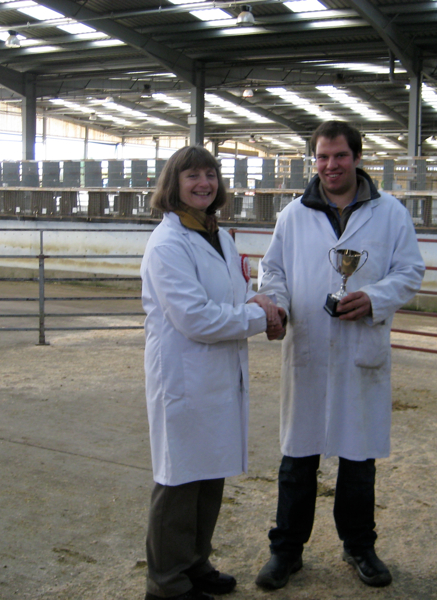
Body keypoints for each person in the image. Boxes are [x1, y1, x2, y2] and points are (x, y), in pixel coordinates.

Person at [255, 121, 425, 590]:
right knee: (297, 457)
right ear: (315, 160)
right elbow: (273, 272)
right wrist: (280, 308)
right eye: (323, 157)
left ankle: (359, 547)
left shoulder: (390, 213)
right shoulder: (293, 215)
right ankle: (286, 551)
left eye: (340, 156)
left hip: (359, 350)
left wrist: (375, 297)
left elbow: (410, 271)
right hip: (307, 347)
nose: (331, 166)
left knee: (358, 458)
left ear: (357, 158)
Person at [141, 145, 285, 600]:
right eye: (193, 176)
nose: (204, 183)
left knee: (209, 475)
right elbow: (197, 318)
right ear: (173, 184)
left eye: (210, 174)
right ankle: (165, 583)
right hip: (184, 379)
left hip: (219, 375)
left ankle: (194, 563)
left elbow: (240, 292)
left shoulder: (216, 235)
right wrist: (262, 317)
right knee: (179, 480)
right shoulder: (167, 244)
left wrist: (258, 302)